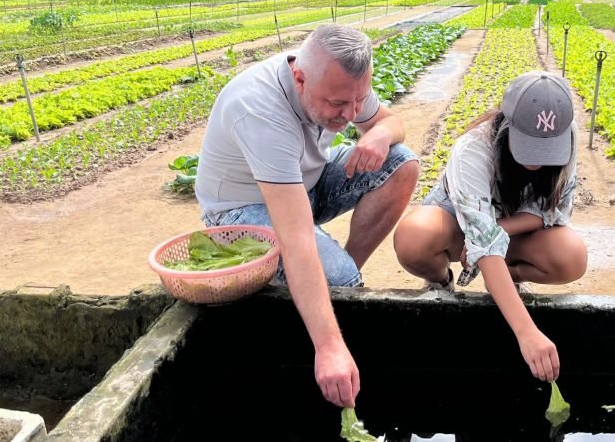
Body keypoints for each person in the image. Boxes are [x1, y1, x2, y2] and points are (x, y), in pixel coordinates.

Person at [195, 24, 420, 407]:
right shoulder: (259, 109)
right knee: (339, 278)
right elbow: (296, 236)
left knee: (401, 163)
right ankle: (337, 288)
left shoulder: (341, 85)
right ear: (299, 78)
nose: (350, 115)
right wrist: (330, 347)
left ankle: (339, 277)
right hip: (244, 208)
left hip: (306, 184)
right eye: (337, 106)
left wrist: (380, 134)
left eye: (357, 101)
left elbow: (390, 121)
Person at [394, 71, 587, 383]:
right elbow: (480, 239)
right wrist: (527, 334)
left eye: (545, 150)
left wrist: (500, 229)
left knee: (571, 255)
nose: (537, 162)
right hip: (458, 225)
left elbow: (554, 212)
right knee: (414, 236)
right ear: (506, 125)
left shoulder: (568, 139)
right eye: (527, 146)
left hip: (511, 228)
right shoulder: (473, 148)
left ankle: (507, 277)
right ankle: (441, 281)